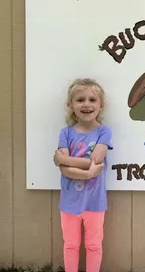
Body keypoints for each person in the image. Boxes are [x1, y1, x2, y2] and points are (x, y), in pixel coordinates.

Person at [53, 78, 113, 272]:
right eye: (80, 100)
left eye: (92, 100)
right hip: (69, 202)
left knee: (94, 245)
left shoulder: (103, 132)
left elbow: (96, 160)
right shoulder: (66, 133)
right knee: (70, 245)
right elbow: (64, 169)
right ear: (70, 105)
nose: (86, 104)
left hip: (95, 202)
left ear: (100, 105)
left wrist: (63, 159)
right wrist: (86, 173)